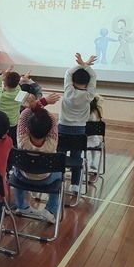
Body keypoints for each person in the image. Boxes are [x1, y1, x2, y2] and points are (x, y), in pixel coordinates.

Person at [14, 93, 61, 223]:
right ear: (49, 131)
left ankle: (21, 205)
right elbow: (51, 120)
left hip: (23, 177)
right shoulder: (52, 143)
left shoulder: (22, 139)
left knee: (16, 168)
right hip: (45, 180)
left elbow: (24, 115)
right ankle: (50, 210)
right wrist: (40, 104)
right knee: (59, 171)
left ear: (27, 129)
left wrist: (40, 102)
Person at [58, 53, 97, 194]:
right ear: (87, 84)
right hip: (79, 130)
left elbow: (68, 72)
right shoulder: (89, 95)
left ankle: (59, 179)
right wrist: (85, 64)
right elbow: (93, 76)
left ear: (72, 81)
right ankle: (75, 185)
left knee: (60, 156)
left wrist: (81, 63)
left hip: (62, 127)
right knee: (76, 157)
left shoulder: (68, 92)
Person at [0, 65, 22, 145]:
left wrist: (2, 76)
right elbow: (17, 86)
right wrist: (7, 77)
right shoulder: (19, 94)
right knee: (12, 144)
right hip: (13, 125)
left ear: (4, 83)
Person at [87, 94, 104, 180]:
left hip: (78, 142)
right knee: (95, 139)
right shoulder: (96, 114)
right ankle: (93, 160)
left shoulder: (81, 113)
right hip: (92, 141)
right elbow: (101, 99)